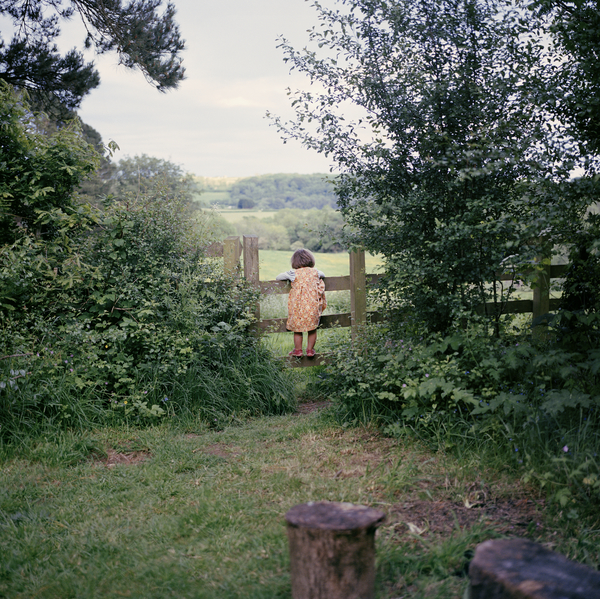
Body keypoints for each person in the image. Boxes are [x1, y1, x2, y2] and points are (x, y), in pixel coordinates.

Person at [276, 248, 326, 358]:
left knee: (297, 330)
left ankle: (298, 351)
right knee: (312, 329)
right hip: (312, 306)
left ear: (295, 261)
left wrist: (288, 275)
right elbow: (323, 274)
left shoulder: (293, 273)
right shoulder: (315, 272)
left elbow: (278, 277)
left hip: (297, 307)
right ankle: (310, 350)